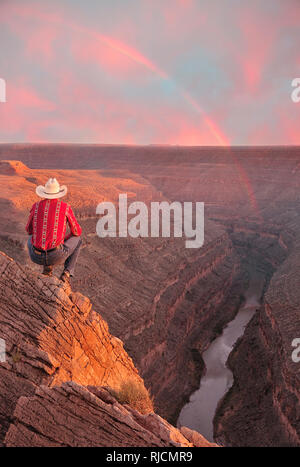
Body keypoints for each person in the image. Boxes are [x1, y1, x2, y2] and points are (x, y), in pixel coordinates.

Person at [26, 178, 82, 284]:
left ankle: (47, 270)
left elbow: (28, 230)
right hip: (56, 256)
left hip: (35, 256)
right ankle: (66, 273)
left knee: (31, 238)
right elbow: (77, 231)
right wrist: (64, 238)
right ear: (58, 194)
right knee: (78, 240)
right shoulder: (65, 207)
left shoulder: (36, 206)